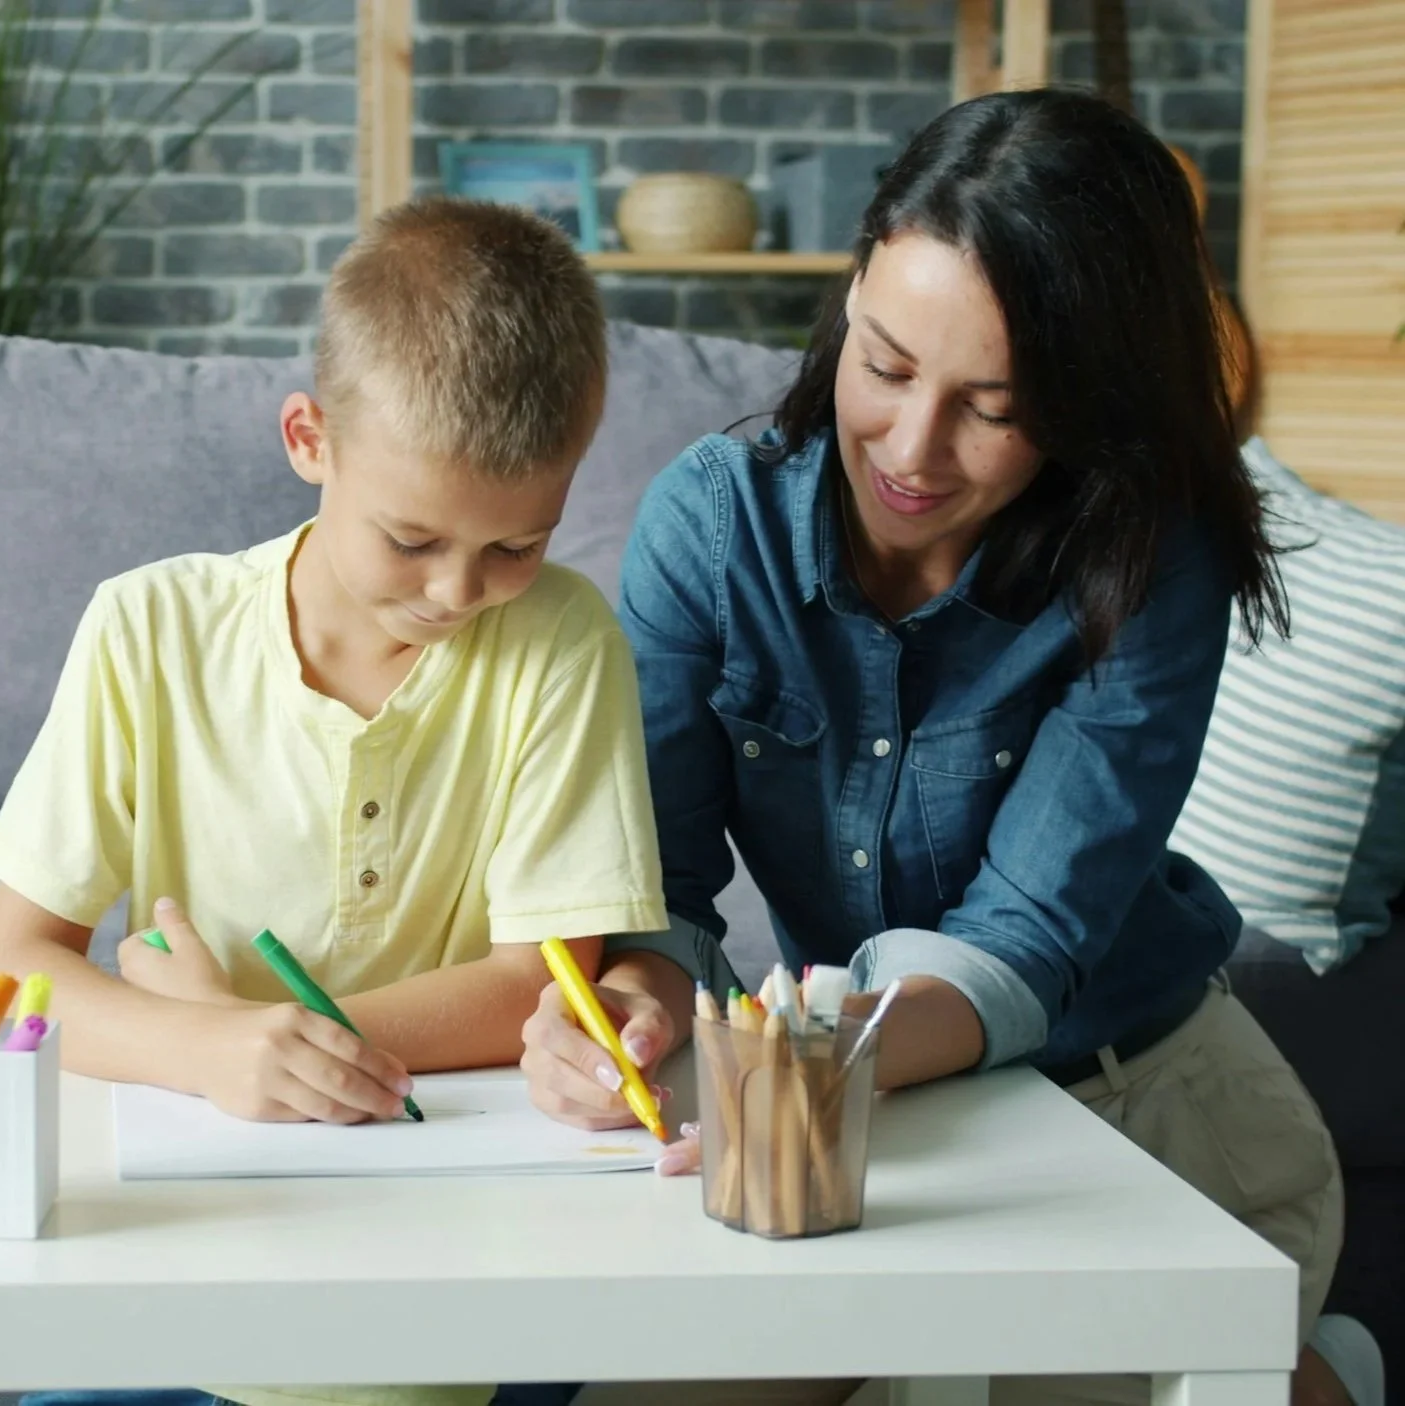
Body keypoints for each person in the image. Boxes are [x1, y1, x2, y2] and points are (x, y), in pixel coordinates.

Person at [521, 89, 1380, 1406]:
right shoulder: (714, 518)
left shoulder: (1150, 551)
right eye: (883, 364)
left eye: (992, 404)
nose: (911, 451)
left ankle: (1316, 1378)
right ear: (849, 297)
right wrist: (640, 1003)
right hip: (859, 1098)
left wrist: (796, 1063)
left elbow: (1022, 938)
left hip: (1138, 1104)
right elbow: (660, 889)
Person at [0, 196, 668, 1406]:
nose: (460, 591)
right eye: (409, 539)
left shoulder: (562, 644)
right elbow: (9, 970)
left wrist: (264, 1040)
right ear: (309, 438)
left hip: (442, 1246)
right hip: (176, 1247)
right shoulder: (147, 627)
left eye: (517, 545)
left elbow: (535, 982)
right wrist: (209, 1046)